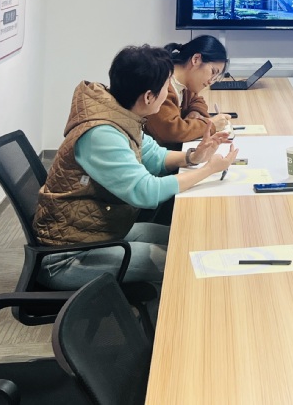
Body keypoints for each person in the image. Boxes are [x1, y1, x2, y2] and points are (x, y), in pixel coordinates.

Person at [33, 44, 239, 288]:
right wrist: (208, 170)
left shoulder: (120, 113)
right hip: (68, 256)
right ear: (149, 97)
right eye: (166, 87)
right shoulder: (102, 134)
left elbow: (154, 156)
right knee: (189, 262)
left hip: (102, 230)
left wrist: (193, 157)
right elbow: (146, 191)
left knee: (193, 240)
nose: (169, 93)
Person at [146, 36, 232, 149]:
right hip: (152, 156)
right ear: (196, 59)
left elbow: (197, 100)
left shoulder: (185, 85)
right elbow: (172, 131)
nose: (211, 81)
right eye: (212, 72)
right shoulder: (162, 84)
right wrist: (211, 125)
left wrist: (195, 112)